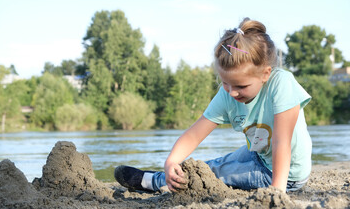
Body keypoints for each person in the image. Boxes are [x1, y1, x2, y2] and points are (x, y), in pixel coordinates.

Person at [114, 18, 312, 193]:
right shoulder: (227, 93)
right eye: (225, 83)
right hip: (260, 155)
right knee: (216, 163)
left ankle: (151, 182)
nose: (232, 92)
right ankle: (163, 173)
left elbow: (281, 143)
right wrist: (171, 161)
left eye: (241, 86)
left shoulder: (282, 84)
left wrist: (276, 192)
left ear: (265, 74)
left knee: (214, 173)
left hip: (286, 175)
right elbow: (194, 134)